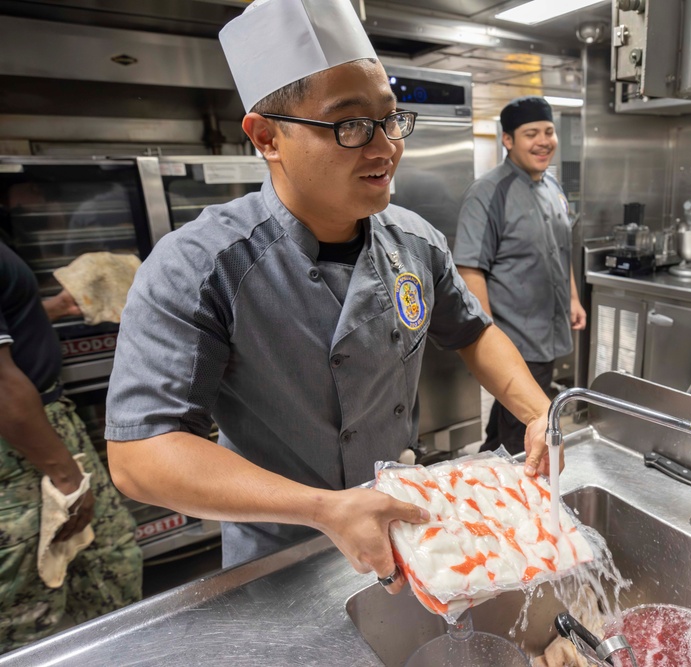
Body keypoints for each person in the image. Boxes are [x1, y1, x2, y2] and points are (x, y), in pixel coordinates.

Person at [103, 0, 556, 594]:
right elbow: (142, 454)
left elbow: (471, 332)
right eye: (349, 126)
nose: (385, 147)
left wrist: (537, 410)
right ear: (267, 137)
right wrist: (325, 508)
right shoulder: (201, 265)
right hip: (280, 553)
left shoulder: (415, 241)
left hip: (407, 530)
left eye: (390, 120)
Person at [0, 241, 142, 653]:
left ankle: (118, 655)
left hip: (44, 424)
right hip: (21, 440)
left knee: (108, 561)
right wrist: (64, 474)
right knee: (26, 608)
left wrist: (57, 307)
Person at [453, 96, 587, 456]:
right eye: (531, 133)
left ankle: (485, 468)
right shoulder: (488, 193)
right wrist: (487, 335)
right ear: (508, 140)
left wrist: (573, 298)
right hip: (515, 340)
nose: (543, 141)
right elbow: (469, 268)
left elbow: (562, 249)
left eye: (548, 131)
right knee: (527, 435)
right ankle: (516, 499)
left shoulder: (553, 187)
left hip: (548, 328)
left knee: (508, 423)